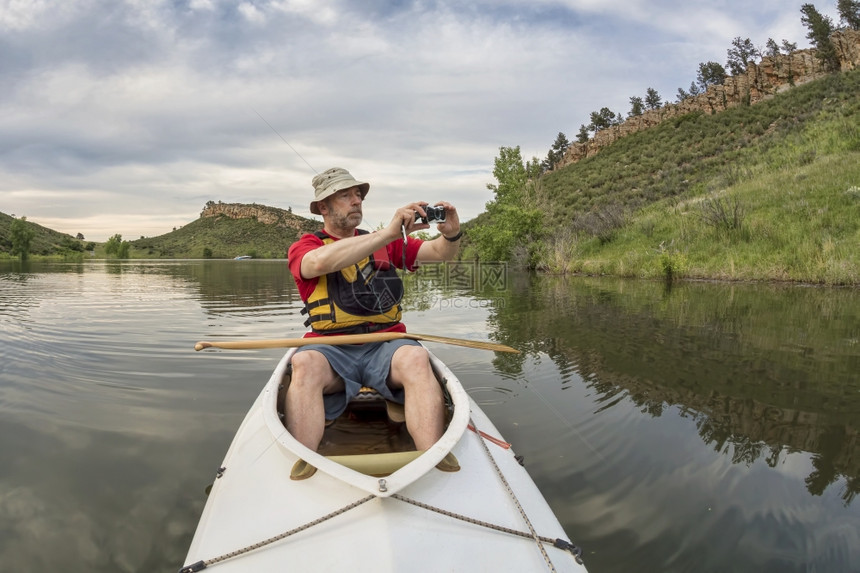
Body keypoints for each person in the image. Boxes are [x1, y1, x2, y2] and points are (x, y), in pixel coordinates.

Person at [286, 167, 462, 459]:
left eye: (358, 195)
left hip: (386, 348)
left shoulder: (385, 243)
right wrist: (388, 233)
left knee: (417, 357)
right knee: (303, 362)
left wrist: (452, 234)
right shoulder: (306, 246)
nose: (356, 201)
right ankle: (303, 462)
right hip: (332, 352)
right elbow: (316, 264)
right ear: (323, 207)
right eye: (346, 196)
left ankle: (432, 459)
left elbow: (440, 253)